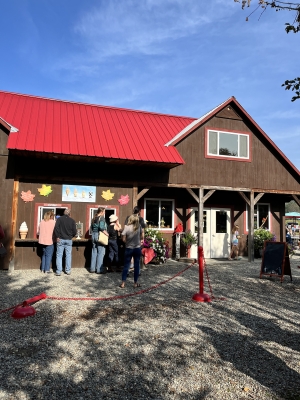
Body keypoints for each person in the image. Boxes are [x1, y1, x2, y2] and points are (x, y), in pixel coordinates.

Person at [119, 215, 144, 288]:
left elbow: (123, 239)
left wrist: (127, 242)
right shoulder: (139, 227)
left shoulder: (127, 227)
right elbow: (142, 236)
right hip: (137, 248)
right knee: (136, 266)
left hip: (128, 248)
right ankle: (135, 283)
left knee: (126, 266)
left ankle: (123, 283)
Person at [54, 208, 77, 276]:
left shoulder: (59, 219)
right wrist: (71, 236)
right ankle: (68, 270)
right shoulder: (72, 220)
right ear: (70, 214)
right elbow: (75, 232)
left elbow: (56, 228)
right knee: (68, 255)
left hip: (60, 239)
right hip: (69, 239)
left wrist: (57, 236)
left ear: (64, 213)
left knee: (59, 255)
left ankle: (58, 271)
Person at [124, 206, 146, 271]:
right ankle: (137, 271)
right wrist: (142, 239)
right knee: (137, 256)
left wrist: (125, 237)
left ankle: (127, 270)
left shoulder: (128, 218)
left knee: (128, 254)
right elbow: (142, 230)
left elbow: (125, 227)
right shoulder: (140, 219)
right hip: (137, 238)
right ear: (139, 212)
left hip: (129, 237)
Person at [90, 207, 109, 274]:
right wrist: (107, 234)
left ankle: (92, 269)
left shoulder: (94, 218)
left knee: (94, 252)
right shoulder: (102, 218)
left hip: (93, 235)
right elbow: (101, 227)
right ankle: (99, 269)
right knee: (101, 253)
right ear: (101, 212)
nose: (104, 213)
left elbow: (91, 228)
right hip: (99, 235)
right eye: (104, 211)